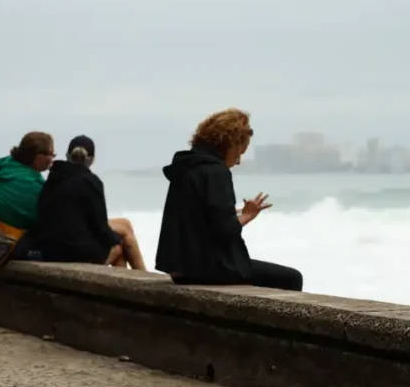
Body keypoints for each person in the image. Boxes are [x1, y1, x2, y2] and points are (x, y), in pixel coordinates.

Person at [155, 108, 303, 291]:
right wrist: (248, 215)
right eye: (240, 152)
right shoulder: (216, 172)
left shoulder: (187, 166)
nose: (239, 161)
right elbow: (225, 231)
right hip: (205, 268)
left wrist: (230, 211)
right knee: (292, 278)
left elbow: (197, 217)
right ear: (230, 144)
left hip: (180, 268)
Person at [34, 135, 146, 269]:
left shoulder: (52, 179)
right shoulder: (90, 182)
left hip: (52, 247)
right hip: (74, 252)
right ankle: (144, 277)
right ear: (92, 159)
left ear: (67, 156)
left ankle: (131, 282)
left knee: (124, 223)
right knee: (121, 244)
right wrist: (116, 239)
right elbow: (100, 227)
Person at [0, 132, 55, 262]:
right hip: (5, 244)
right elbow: (43, 220)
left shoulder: (2, 170)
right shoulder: (30, 185)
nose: (52, 160)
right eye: (51, 155)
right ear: (39, 157)